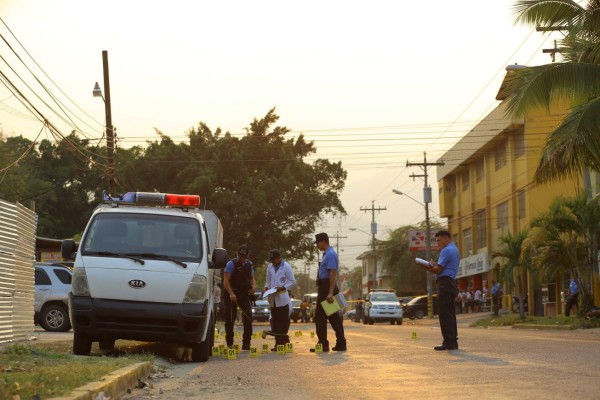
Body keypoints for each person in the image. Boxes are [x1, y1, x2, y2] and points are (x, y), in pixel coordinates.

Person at [416, 230, 460, 351]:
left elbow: (438, 270)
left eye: (439, 240)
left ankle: (448, 341)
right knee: (450, 313)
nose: (438, 244)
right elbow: (441, 267)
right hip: (451, 282)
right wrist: (434, 265)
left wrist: (425, 266)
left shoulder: (446, 250)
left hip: (445, 283)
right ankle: (452, 341)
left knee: (444, 314)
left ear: (446, 238)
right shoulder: (454, 249)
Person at [311, 232, 347, 352]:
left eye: (317, 243)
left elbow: (332, 273)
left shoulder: (330, 254)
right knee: (333, 317)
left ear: (323, 241)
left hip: (327, 287)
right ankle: (341, 343)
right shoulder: (327, 254)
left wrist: (330, 292)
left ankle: (323, 344)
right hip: (325, 287)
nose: (317, 245)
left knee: (319, 317)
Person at [223, 244, 256, 350]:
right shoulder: (230, 264)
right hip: (231, 293)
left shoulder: (249, 264)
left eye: (244, 257)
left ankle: (246, 343)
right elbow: (226, 281)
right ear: (237, 254)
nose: (242, 259)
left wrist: (253, 287)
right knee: (230, 319)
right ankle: (230, 343)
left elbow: (252, 278)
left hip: (244, 294)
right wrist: (231, 293)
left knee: (248, 316)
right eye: (241, 256)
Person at [264, 249, 296, 350]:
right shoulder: (270, 267)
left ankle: (283, 342)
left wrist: (283, 287)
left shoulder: (286, 267)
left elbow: (292, 281)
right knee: (275, 321)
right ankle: (278, 343)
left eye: (274, 260)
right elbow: (268, 281)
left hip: (282, 298)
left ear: (279, 258)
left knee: (283, 322)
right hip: (273, 298)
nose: (272, 262)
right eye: (271, 260)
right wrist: (266, 288)